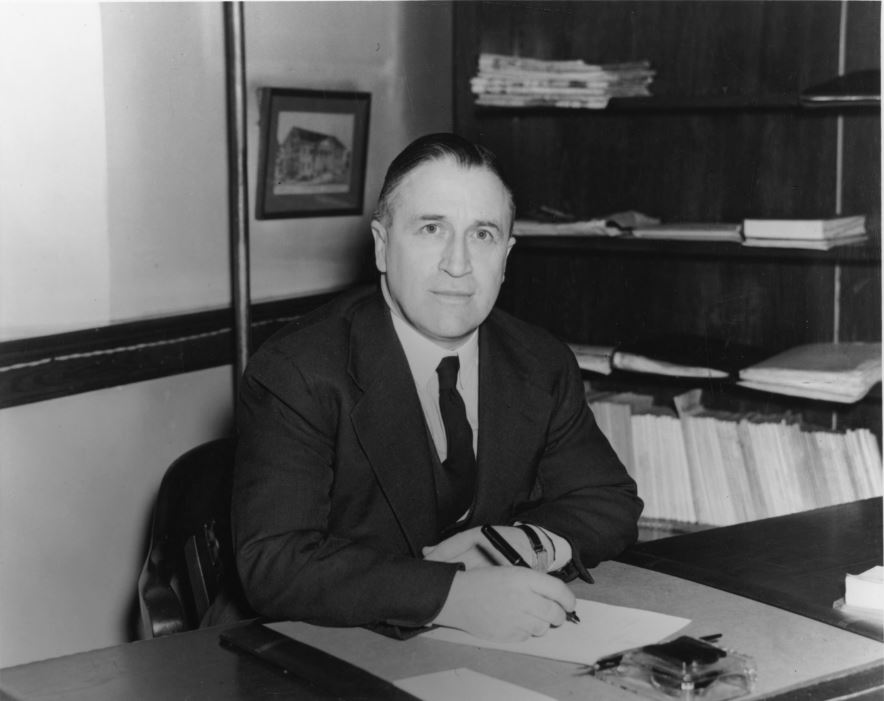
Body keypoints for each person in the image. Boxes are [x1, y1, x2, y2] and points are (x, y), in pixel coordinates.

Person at [230, 133, 642, 642]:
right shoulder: (298, 370)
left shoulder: (539, 360)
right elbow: (275, 563)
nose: (458, 263)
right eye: (431, 228)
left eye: (483, 235)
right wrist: (454, 595)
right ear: (382, 246)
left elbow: (608, 499)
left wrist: (517, 543)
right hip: (326, 651)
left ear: (507, 255)